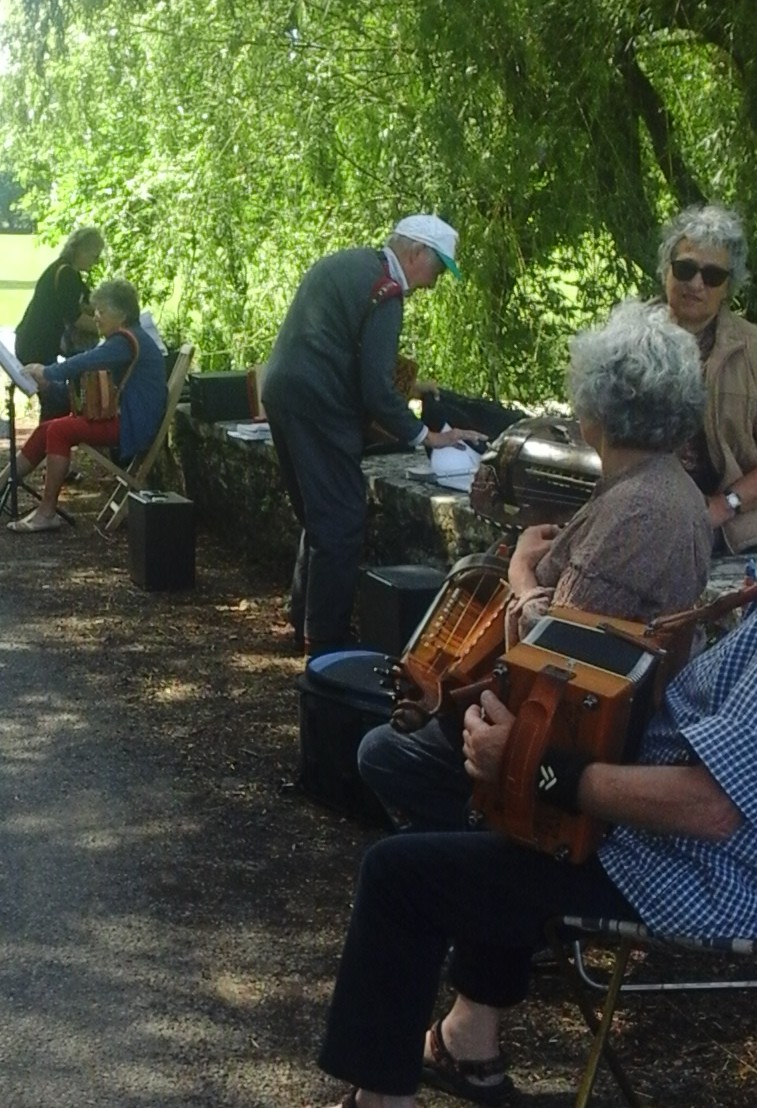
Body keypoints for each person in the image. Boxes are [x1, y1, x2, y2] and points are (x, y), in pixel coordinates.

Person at [316, 598, 757, 1108]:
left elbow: (710, 808)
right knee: (511, 831)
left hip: (684, 873)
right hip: (662, 846)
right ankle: (467, 1048)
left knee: (398, 876)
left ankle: (380, 1102)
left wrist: (530, 764)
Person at [358, 299, 713, 832]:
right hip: (612, 723)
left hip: (572, 743)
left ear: (598, 409)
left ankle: (487, 842)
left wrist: (522, 571)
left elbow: (552, 647)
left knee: (382, 752)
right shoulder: (668, 486)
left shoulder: (638, 509)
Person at [261, 214, 485, 656]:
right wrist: (426, 436)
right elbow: (377, 390)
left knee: (318, 517)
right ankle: (326, 644)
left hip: (283, 393)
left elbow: (340, 343)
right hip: (321, 406)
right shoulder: (387, 292)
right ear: (416, 252)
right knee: (342, 522)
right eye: (437, 270)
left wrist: (410, 389)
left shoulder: (348, 263)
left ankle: (303, 621)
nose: (433, 284)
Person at [2, 278, 166, 533]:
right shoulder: (127, 337)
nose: (96, 317)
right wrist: (51, 382)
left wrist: (48, 372)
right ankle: (2, 483)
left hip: (133, 425)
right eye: (95, 310)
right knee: (48, 427)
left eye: (102, 311)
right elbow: (88, 374)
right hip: (128, 418)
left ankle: (46, 513)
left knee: (60, 431)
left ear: (122, 314)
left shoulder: (124, 340)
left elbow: (86, 361)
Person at [658, 203, 757, 553]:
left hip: (738, 533)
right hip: (648, 521)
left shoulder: (753, 350)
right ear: (666, 270)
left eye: (713, 276)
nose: (696, 284)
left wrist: (724, 505)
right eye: (686, 269)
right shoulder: (630, 341)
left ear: (728, 286)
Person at [15, 226, 104, 422]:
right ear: (79, 250)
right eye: (94, 255)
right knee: (56, 403)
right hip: (36, 346)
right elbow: (76, 318)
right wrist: (110, 328)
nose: (96, 261)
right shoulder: (65, 274)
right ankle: (49, 439)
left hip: (36, 344)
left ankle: (49, 437)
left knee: (55, 402)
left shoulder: (66, 272)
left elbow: (89, 304)